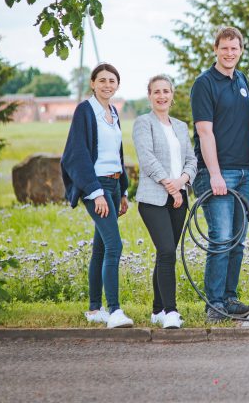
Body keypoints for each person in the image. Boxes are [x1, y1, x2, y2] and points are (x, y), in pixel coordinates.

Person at [191, 27, 249, 322]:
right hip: (218, 174)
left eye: (235, 48)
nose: (229, 53)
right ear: (215, 49)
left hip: (244, 173)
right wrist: (215, 174)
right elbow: (204, 132)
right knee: (220, 239)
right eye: (225, 48)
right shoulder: (204, 84)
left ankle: (230, 299)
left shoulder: (242, 80)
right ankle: (215, 304)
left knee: (237, 240)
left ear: (241, 50)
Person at [61, 63, 134, 328]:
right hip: (96, 186)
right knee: (115, 245)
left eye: (112, 81)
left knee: (101, 247)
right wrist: (94, 192)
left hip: (114, 185)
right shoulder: (85, 110)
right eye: (101, 80)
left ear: (117, 85)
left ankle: (94, 309)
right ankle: (115, 311)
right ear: (92, 83)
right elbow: (77, 153)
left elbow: (117, 154)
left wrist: (123, 190)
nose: (107, 85)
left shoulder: (113, 112)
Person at [133, 75, 197, 329]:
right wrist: (170, 186)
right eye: (156, 91)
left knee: (164, 254)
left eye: (166, 91)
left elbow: (192, 160)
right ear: (149, 95)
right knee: (168, 251)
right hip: (153, 199)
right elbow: (147, 159)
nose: (161, 96)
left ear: (172, 95)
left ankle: (157, 310)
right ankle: (171, 312)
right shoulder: (143, 123)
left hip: (179, 198)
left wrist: (182, 181)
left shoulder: (180, 126)